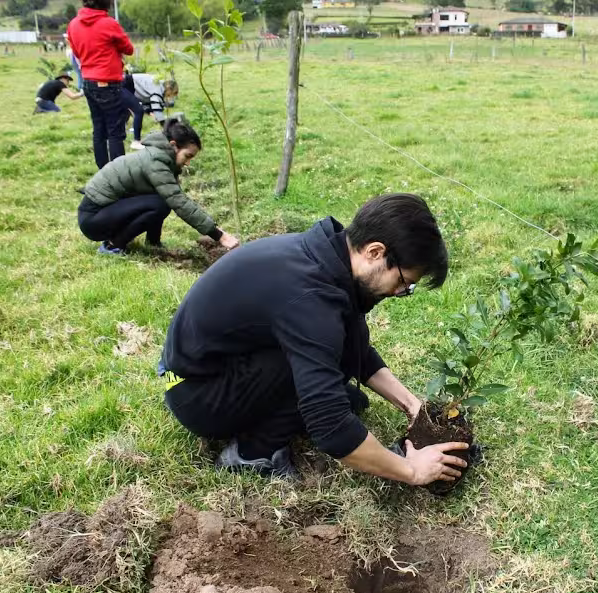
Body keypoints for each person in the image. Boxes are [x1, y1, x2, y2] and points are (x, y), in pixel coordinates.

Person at [159, 193, 470, 487]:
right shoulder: (310, 298)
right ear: (375, 252)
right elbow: (330, 427)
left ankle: (262, 419)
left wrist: (412, 406)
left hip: (201, 369)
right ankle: (253, 455)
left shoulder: (326, 257)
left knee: (347, 392)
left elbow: (355, 348)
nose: (400, 292)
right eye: (404, 282)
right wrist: (412, 470)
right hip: (192, 393)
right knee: (325, 389)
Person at [77, 119, 240, 254]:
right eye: (187, 156)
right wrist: (219, 236)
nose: (188, 162)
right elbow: (178, 202)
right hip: (93, 219)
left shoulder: (160, 157)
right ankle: (112, 246)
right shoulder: (156, 162)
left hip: (104, 213)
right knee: (161, 204)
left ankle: (153, 243)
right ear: (174, 145)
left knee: (159, 201)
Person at [67, 0, 134, 169]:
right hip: (108, 83)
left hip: (88, 82)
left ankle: (103, 173)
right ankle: (119, 175)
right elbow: (129, 49)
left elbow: (76, 52)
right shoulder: (109, 23)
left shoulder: (73, 24)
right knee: (115, 131)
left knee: (99, 128)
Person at [123, 72, 178, 149]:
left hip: (126, 84)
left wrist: (150, 111)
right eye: (170, 95)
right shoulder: (157, 88)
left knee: (124, 111)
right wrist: (166, 127)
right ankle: (136, 141)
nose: (168, 97)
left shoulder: (160, 84)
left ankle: (118, 136)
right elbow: (156, 107)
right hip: (124, 84)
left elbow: (146, 101)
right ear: (169, 89)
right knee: (139, 111)